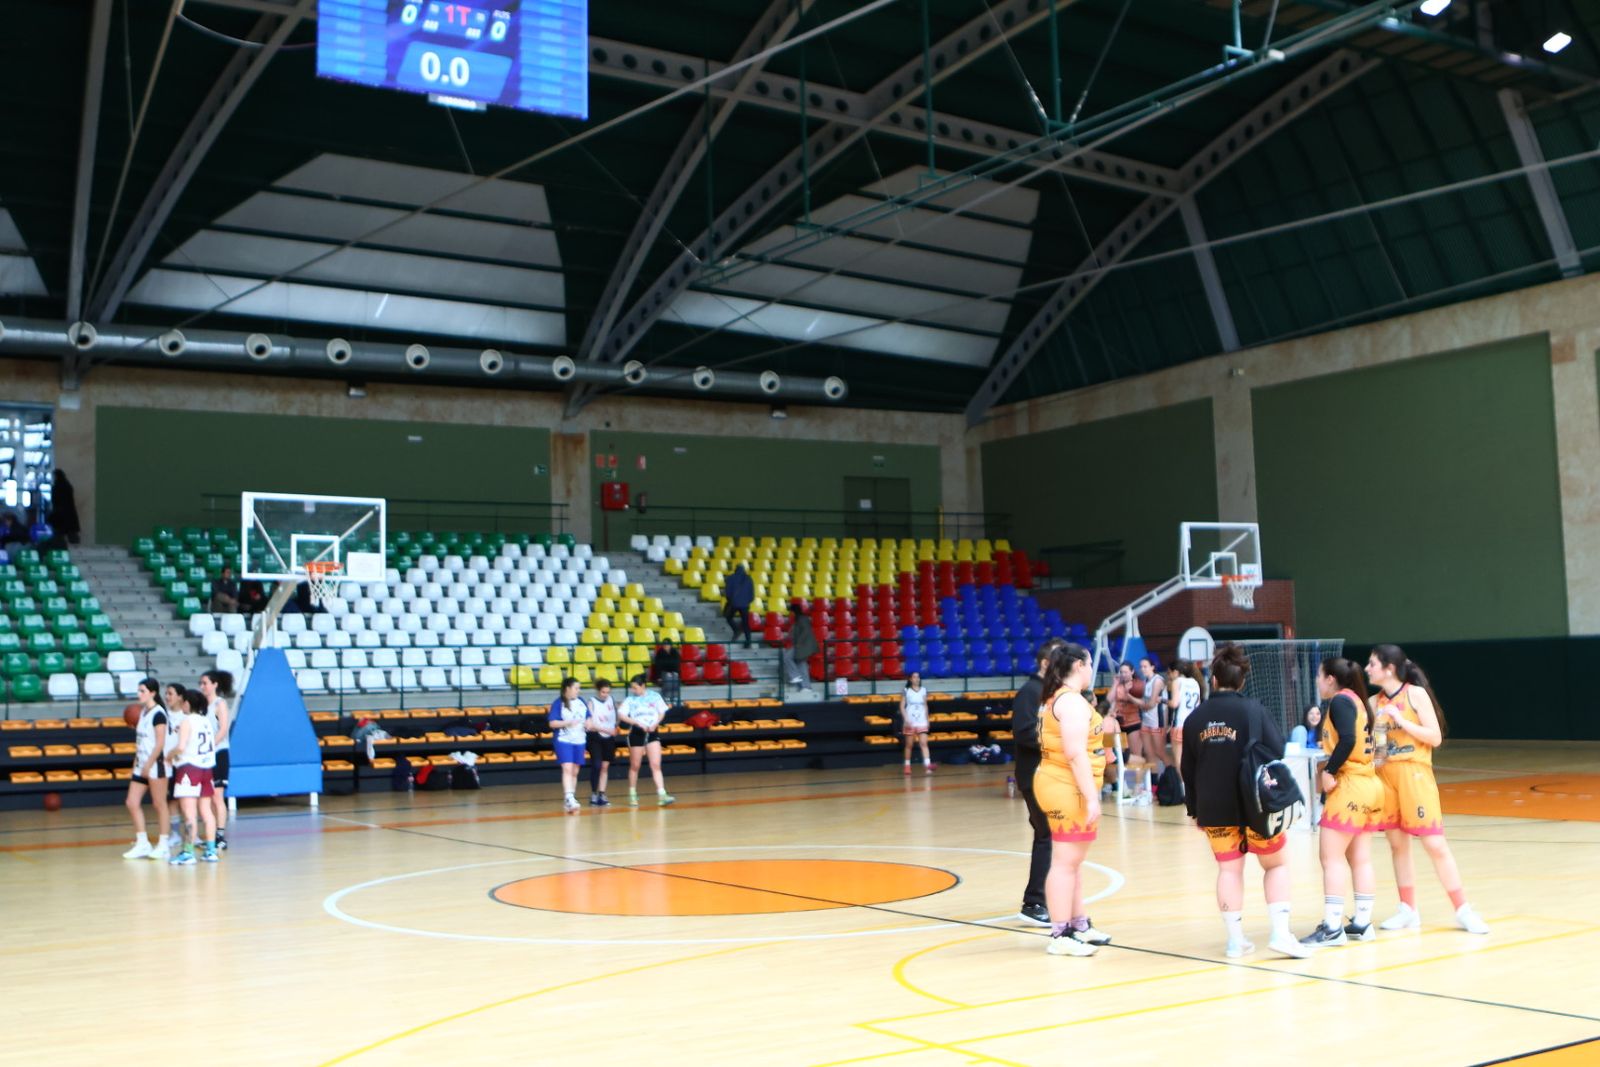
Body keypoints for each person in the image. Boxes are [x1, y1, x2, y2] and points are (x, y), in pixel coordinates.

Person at [1180, 644, 1311, 960]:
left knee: (1229, 870)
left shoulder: (1195, 718)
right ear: (1241, 682)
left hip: (1215, 807)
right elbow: (1278, 748)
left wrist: (1196, 808)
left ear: (1213, 680)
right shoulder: (1253, 709)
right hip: (1257, 805)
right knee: (1276, 865)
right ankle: (1281, 933)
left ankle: (1235, 940)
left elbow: (1188, 768)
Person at [1366, 644, 1488, 935]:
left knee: (1435, 845)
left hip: (1415, 774)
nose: (1367, 668)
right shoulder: (1373, 703)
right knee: (1397, 845)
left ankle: (1462, 909)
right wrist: (1379, 734)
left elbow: (1434, 738)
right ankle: (1408, 909)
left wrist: (1402, 721)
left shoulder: (1414, 695)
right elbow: (1379, 753)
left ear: (1389, 668)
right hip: (1386, 776)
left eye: (1372, 664)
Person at [1031, 641, 1111, 956]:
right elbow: (1075, 753)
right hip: (1065, 786)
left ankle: (1079, 924)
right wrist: (1092, 798)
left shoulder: (1060, 699)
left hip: (1059, 782)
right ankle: (1060, 933)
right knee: (1065, 863)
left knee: (1073, 862)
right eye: (1090, 664)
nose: (1092, 671)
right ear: (1079, 665)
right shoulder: (1071, 702)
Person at [1299, 658, 1384, 947]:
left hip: (1350, 785)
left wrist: (1329, 772)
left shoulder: (1340, 702)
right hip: (1369, 784)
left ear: (1332, 679)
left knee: (1331, 858)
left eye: (1319, 676)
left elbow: (1347, 740)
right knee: (1359, 858)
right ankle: (1361, 923)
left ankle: (1333, 927)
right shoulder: (1358, 702)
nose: (1317, 681)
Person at [1010, 638, 1066, 926]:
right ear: (1045, 663)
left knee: (1049, 837)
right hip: (1033, 777)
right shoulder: (1029, 692)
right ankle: (1034, 902)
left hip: (1047, 776)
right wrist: (1057, 742)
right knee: (1047, 837)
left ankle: (1041, 898)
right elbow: (1023, 732)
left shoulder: (1049, 693)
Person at [168, 688, 219, 866]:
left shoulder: (186, 721)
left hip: (189, 768)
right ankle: (211, 851)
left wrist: (169, 755)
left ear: (188, 703)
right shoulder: (206, 721)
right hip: (207, 768)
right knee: (206, 811)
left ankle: (188, 852)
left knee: (189, 813)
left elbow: (181, 747)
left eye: (183, 701)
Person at [121, 678, 171, 861]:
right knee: (131, 802)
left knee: (159, 804)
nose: (139, 694)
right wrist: (137, 761)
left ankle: (164, 845)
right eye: (138, 690)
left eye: (142, 691)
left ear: (152, 693)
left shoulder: (159, 714)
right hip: (141, 763)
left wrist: (149, 763)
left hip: (156, 764)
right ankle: (142, 843)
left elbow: (160, 743)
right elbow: (141, 741)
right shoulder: (142, 712)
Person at [619, 673, 675, 806]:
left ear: (642, 685)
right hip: (637, 733)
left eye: (635, 688)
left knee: (655, 764)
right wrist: (636, 723)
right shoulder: (630, 700)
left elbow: (662, 712)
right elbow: (621, 714)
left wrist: (655, 723)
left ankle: (662, 794)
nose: (633, 690)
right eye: (632, 688)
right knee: (635, 765)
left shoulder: (654, 696)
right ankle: (632, 793)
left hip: (652, 732)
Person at [201, 670, 233, 850]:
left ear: (215, 685)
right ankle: (211, 834)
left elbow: (223, 730)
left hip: (219, 753)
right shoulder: (202, 705)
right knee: (209, 796)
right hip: (206, 755)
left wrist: (210, 746)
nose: (202, 686)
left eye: (205, 683)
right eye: (201, 683)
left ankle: (220, 835)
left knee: (217, 796)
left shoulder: (220, 704)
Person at [549, 677, 591, 814]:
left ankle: (571, 796)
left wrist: (589, 723)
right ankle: (569, 797)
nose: (578, 691)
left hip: (579, 739)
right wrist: (566, 723)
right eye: (576, 688)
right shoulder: (558, 703)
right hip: (564, 739)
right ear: (568, 688)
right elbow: (552, 723)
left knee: (575, 770)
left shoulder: (581, 702)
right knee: (567, 767)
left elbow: (588, 717)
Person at [1108, 663, 1147, 800]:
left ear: (1132, 672)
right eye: (1121, 672)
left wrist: (1129, 696)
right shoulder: (1118, 685)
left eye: (1126, 672)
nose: (1123, 674)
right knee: (1118, 755)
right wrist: (1115, 684)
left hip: (1133, 723)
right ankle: (1120, 785)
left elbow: (1142, 703)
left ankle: (1138, 786)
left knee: (1136, 755)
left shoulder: (1137, 685)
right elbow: (1108, 699)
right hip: (1119, 724)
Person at [161, 682, 188, 855]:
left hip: (184, 762)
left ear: (180, 696)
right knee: (171, 800)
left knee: (187, 800)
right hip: (168, 763)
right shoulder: (162, 715)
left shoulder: (187, 717)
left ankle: (191, 834)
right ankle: (176, 834)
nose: (167, 697)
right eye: (166, 693)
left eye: (170, 693)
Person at [1166, 659, 1203, 781]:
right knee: (1194, 759)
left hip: (1181, 724)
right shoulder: (1196, 682)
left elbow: (1175, 703)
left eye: (1170, 673)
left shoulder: (1177, 681)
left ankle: (1186, 790)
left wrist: (1163, 700)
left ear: (1176, 672)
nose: (1169, 677)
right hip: (1195, 724)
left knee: (1179, 761)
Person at [586, 677, 619, 807]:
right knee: (597, 765)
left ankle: (602, 793)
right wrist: (606, 729)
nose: (605, 695)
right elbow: (590, 724)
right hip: (595, 736)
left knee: (605, 767)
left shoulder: (611, 701)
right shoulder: (592, 702)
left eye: (607, 692)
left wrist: (616, 726)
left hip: (609, 737)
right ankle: (593, 793)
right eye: (603, 692)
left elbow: (616, 717)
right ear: (598, 691)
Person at [780, 602, 818, 697]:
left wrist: (798, 644)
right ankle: (806, 687)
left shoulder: (802, 619)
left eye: (791, 612)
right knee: (802, 665)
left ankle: (795, 676)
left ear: (794, 611)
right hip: (801, 646)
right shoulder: (799, 619)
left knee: (786, 657)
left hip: (802, 646)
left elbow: (805, 632)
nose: (790, 614)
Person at [1137, 656, 1168, 771]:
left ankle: (1174, 776)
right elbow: (1145, 702)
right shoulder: (1145, 681)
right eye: (1141, 667)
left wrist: (1132, 699)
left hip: (1157, 721)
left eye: (1145, 666)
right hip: (1146, 720)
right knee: (1148, 752)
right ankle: (1154, 783)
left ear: (1153, 667)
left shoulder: (1158, 680)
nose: (1142, 669)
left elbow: (1151, 704)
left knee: (1159, 751)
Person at [899, 671, 933, 775]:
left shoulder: (923, 690)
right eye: (914, 677)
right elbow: (901, 706)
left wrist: (927, 719)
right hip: (910, 721)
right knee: (909, 744)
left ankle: (928, 766)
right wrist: (906, 719)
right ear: (910, 679)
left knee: (924, 743)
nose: (917, 679)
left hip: (921, 720)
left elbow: (926, 705)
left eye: (918, 677)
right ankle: (907, 765)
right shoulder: (906, 691)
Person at [722, 564, 754, 648]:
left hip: (734, 603)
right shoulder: (748, 579)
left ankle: (736, 629)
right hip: (745, 605)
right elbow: (752, 595)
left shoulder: (731, 578)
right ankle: (748, 642)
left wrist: (731, 601)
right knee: (746, 623)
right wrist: (747, 601)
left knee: (728, 617)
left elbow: (728, 592)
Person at [48, 469, 81, 545]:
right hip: (69, 514)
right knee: (72, 535)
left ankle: (59, 549)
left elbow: (55, 501)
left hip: (59, 515)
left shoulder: (56, 487)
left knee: (59, 535)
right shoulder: (67, 486)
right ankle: (77, 552)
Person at [651, 641, 681, 706]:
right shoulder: (660, 653)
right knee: (668, 678)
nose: (666, 647)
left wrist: (673, 671)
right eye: (665, 646)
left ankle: (675, 699)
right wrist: (659, 677)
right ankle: (667, 699)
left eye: (668, 645)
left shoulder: (674, 652)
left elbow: (676, 664)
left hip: (673, 671)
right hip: (663, 672)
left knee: (675, 677)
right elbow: (658, 666)